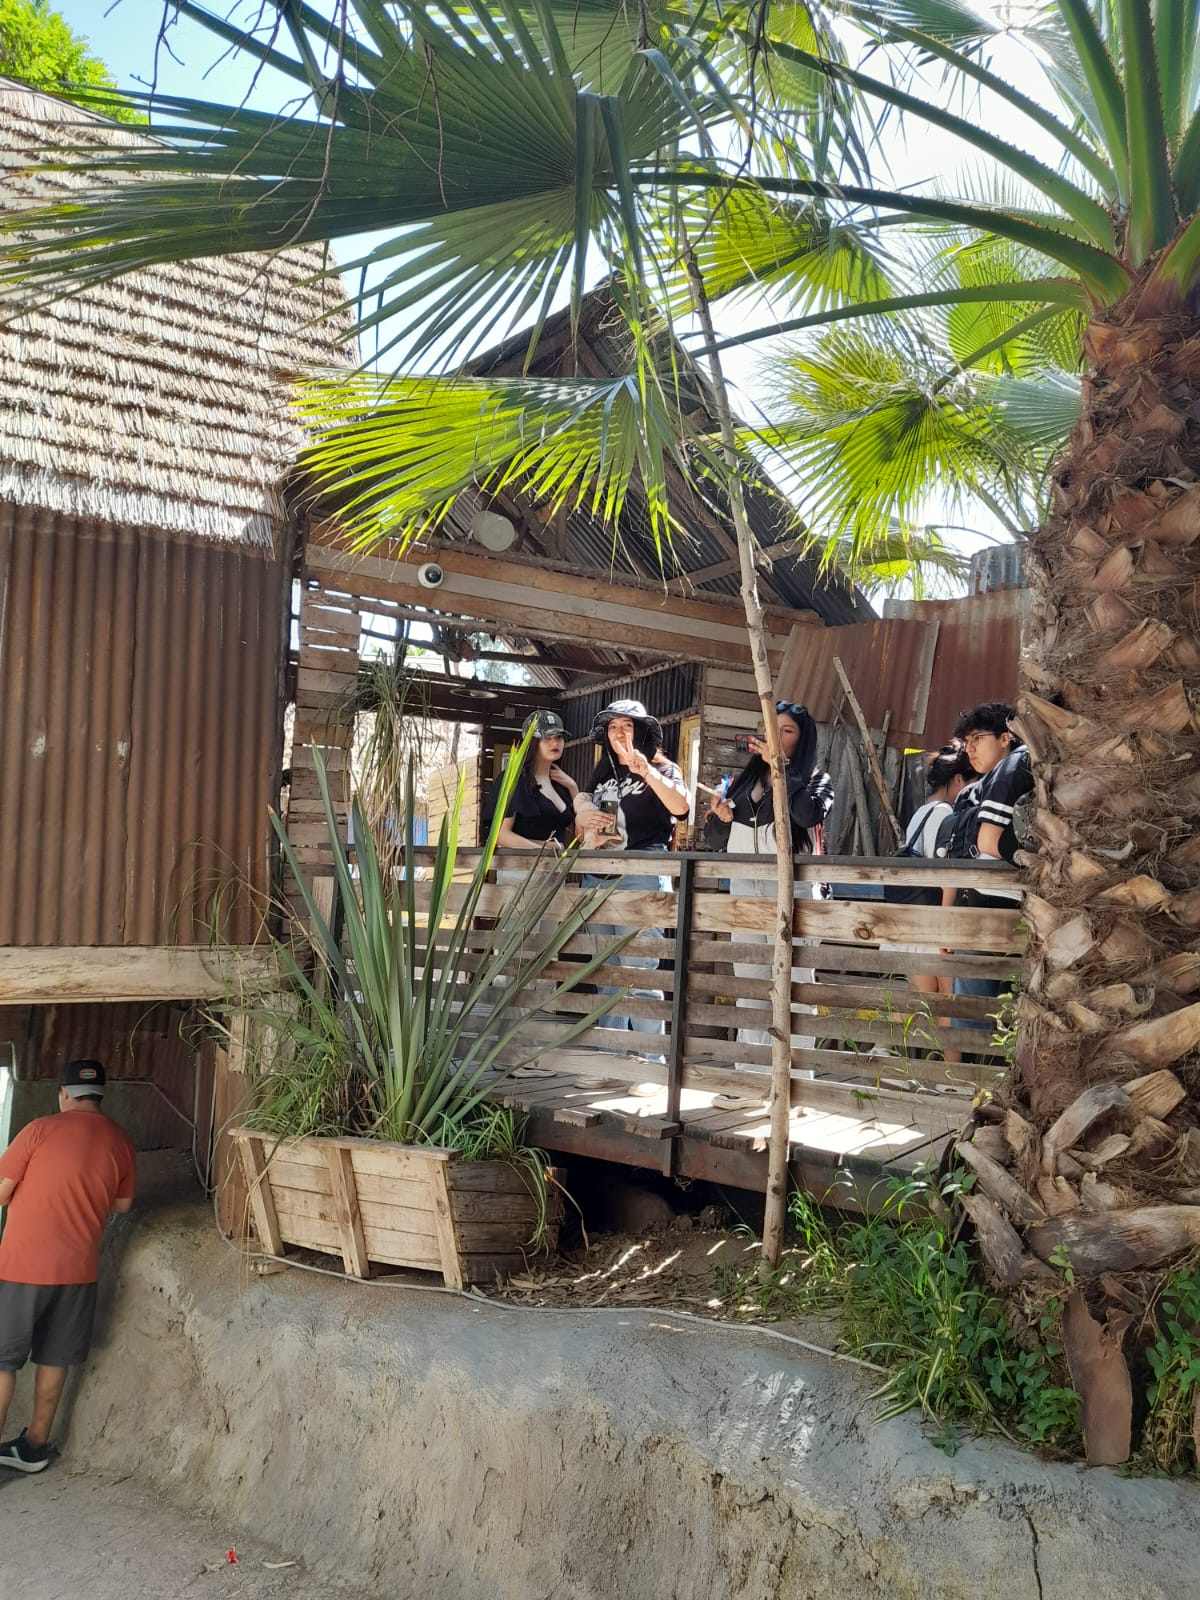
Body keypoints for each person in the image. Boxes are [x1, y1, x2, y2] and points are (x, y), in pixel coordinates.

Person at [0, 1060, 135, 1472]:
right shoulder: (120, 1140)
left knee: (2, 1359)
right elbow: (122, 1205)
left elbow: (2, 1193)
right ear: (100, 1095)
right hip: (78, 1270)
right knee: (54, 1357)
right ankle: (34, 1447)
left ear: (63, 1094)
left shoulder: (39, 1130)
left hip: (23, 1265)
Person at [702, 701, 834, 1097]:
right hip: (745, 890)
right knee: (752, 987)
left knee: (795, 988)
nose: (775, 736)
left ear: (802, 739)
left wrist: (783, 771)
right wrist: (720, 818)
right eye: (771, 728)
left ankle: (798, 1084)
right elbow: (714, 841)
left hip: (794, 890)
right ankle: (750, 1078)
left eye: (787, 730)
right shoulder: (741, 782)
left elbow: (807, 815)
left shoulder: (816, 780)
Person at [572, 700, 690, 1061]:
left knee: (640, 974)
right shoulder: (602, 774)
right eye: (613, 727)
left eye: (627, 725)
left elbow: (682, 807)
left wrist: (647, 772)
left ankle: (651, 1063)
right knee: (605, 975)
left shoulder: (663, 769)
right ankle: (611, 1061)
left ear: (641, 731)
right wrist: (583, 816)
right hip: (597, 877)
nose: (619, 733)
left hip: (641, 876)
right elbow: (584, 825)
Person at [940, 700, 1033, 1036]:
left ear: (1005, 737)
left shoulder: (1014, 765)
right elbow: (975, 848)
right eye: (967, 743)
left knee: (975, 1013)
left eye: (977, 739)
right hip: (989, 905)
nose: (970, 749)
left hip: (992, 907)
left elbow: (987, 841)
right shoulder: (986, 782)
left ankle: (973, 1069)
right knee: (989, 1013)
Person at [485, 709, 578, 859]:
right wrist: (543, 852)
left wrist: (573, 787)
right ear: (532, 742)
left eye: (559, 737)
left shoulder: (562, 783)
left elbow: (579, 833)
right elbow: (500, 835)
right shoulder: (514, 780)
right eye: (547, 738)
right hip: (520, 866)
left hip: (556, 867)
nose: (554, 743)